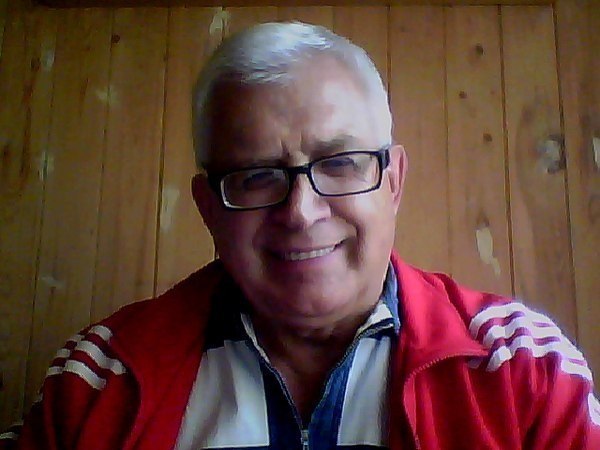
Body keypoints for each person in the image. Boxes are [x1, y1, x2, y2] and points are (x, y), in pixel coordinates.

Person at [1, 21, 599, 450]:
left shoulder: (527, 370)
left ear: (393, 181)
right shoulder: (97, 380)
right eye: (256, 176)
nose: (301, 212)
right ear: (209, 207)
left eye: (340, 163)